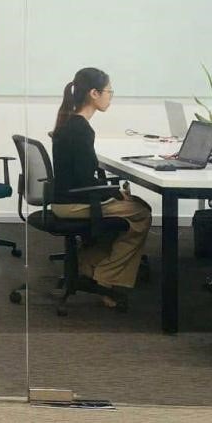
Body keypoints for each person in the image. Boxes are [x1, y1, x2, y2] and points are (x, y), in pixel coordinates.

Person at [49, 66, 153, 304]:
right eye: (109, 92)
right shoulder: (81, 129)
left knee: (130, 205)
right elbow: (85, 180)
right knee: (141, 213)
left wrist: (113, 192)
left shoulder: (70, 122)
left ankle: (89, 265)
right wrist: (114, 193)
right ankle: (107, 276)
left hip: (63, 199)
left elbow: (82, 175)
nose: (110, 97)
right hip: (73, 203)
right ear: (94, 93)